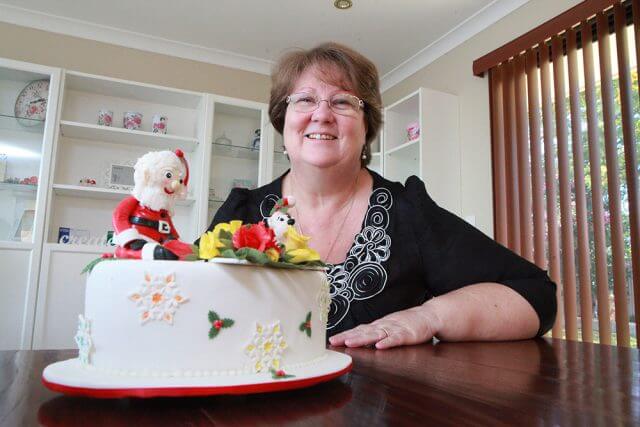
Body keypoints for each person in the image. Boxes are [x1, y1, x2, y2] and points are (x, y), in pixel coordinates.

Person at [204, 42, 557, 349]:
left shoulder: (409, 213)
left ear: (366, 127)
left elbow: (535, 296)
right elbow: (184, 305)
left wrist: (429, 316)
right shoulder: (240, 214)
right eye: (305, 100)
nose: (322, 114)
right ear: (283, 122)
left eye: (342, 102)